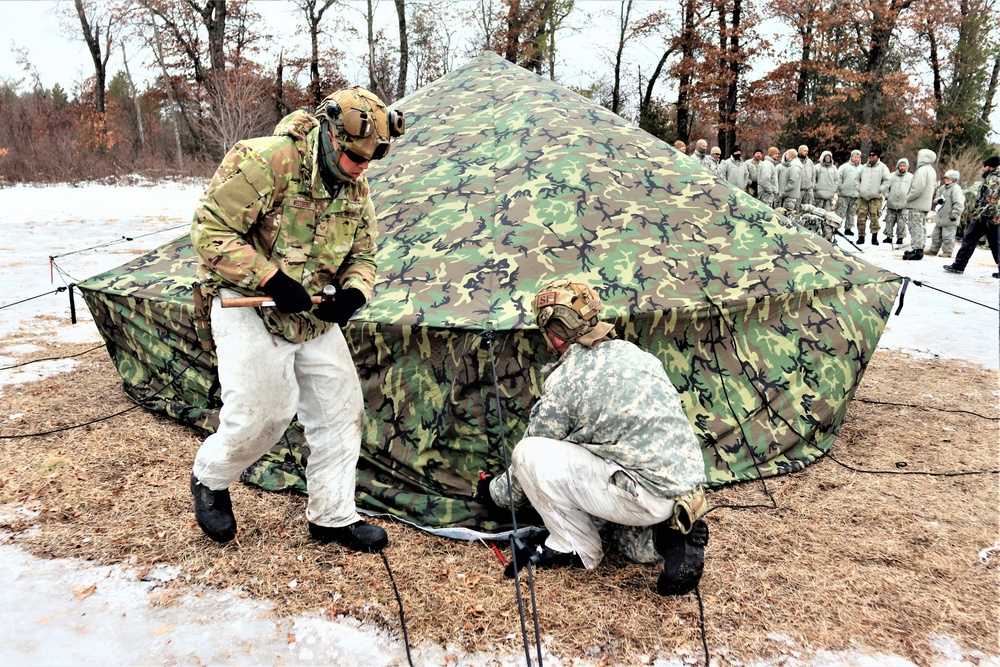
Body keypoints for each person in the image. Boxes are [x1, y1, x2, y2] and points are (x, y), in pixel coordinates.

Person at [188, 86, 406, 552]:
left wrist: (353, 294)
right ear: (329, 134)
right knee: (264, 414)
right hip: (248, 301)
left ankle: (331, 516)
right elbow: (209, 231)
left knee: (341, 411)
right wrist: (269, 279)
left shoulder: (356, 182)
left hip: (311, 314)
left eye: (370, 160)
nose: (362, 168)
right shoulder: (264, 160)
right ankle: (211, 478)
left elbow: (364, 254)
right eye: (354, 157)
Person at [478, 279, 709, 595]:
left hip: (639, 492)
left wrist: (490, 492)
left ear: (555, 333)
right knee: (626, 542)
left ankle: (573, 547)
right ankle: (670, 537)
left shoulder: (567, 380)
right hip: (680, 490)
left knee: (527, 452)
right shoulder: (637, 354)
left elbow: (526, 469)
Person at [945, 155, 1000, 276]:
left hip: (986, 217)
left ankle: (958, 266)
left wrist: (978, 213)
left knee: (969, 240)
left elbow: (989, 199)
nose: (982, 169)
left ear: (990, 167)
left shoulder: (993, 178)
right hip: (995, 217)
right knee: (996, 244)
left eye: (984, 166)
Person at [902, 148, 938, 260]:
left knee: (915, 227)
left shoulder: (922, 171)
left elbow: (917, 189)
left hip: (917, 204)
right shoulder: (931, 170)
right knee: (921, 227)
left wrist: (907, 199)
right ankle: (919, 248)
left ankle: (917, 250)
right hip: (925, 204)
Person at [855, 148, 890, 246]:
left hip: (875, 197)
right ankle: (861, 237)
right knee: (861, 217)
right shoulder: (863, 168)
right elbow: (856, 179)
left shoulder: (883, 168)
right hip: (863, 197)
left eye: (873, 155)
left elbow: (887, 180)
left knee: (874, 217)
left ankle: (874, 237)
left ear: (877, 156)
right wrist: (859, 188)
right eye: (870, 155)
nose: (871, 157)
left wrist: (880, 189)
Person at [926, 170, 965, 258]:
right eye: (945, 178)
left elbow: (959, 203)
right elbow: (936, 197)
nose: (946, 179)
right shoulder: (942, 188)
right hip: (940, 217)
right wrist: (938, 200)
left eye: (949, 178)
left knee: (948, 237)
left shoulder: (956, 189)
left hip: (950, 218)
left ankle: (947, 252)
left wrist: (955, 214)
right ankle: (933, 250)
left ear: (954, 179)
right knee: (936, 235)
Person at [884, 158, 913, 245]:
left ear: (906, 167)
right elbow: (885, 187)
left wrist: (908, 199)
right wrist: (887, 196)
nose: (902, 167)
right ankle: (888, 237)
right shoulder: (891, 176)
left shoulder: (911, 177)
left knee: (902, 222)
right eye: (901, 166)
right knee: (889, 221)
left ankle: (900, 238)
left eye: (904, 166)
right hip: (891, 203)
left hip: (903, 204)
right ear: (898, 166)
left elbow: (912, 189)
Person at [836, 150, 863, 235]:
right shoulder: (844, 167)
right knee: (840, 212)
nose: (856, 159)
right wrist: (840, 187)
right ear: (851, 157)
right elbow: (838, 178)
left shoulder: (862, 168)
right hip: (844, 194)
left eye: (857, 158)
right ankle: (835, 227)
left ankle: (848, 228)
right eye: (854, 157)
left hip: (856, 195)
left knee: (852, 213)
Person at [797, 145, 816, 210]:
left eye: (807, 151)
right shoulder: (795, 161)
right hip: (798, 190)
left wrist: (812, 185)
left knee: (808, 209)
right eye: (805, 151)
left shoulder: (810, 162)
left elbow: (813, 174)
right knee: (797, 208)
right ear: (800, 152)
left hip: (808, 190)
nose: (806, 152)